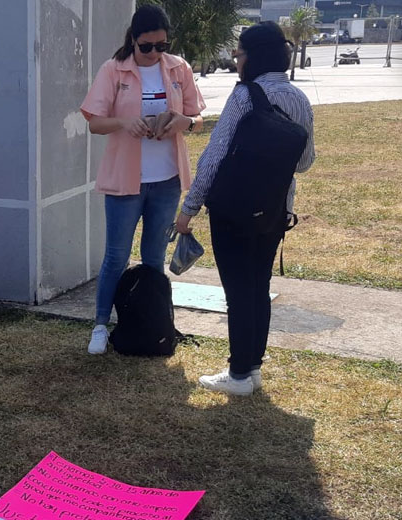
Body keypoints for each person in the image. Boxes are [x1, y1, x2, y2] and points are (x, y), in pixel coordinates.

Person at [175, 22, 316, 396]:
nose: (236, 61)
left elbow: (214, 156)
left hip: (233, 210)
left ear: (253, 57)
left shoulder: (244, 96)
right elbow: (304, 162)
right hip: (274, 210)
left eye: (238, 54)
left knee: (237, 291)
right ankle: (252, 369)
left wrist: (189, 209)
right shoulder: (300, 99)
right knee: (257, 287)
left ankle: (238, 375)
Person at [80, 4, 205, 354]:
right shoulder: (114, 69)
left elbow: (197, 119)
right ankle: (100, 325)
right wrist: (124, 122)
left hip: (166, 180)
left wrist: (183, 121)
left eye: (161, 46)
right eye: (146, 46)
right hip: (125, 180)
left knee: (154, 257)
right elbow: (94, 122)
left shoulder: (178, 68)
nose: (154, 53)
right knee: (116, 257)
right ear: (133, 40)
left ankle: (153, 324)